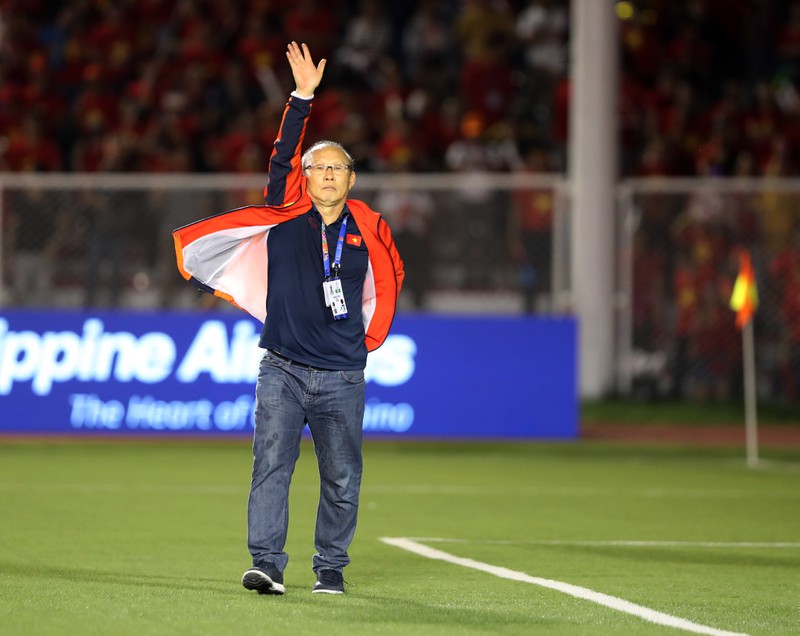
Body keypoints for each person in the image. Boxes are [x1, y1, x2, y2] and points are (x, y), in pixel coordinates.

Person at [172, 42, 404, 595]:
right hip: (282, 367)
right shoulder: (286, 212)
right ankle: (268, 564)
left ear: (352, 180)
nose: (328, 175)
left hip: (342, 373)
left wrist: (366, 342)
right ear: (306, 176)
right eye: (318, 167)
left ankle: (330, 568)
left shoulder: (371, 228)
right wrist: (301, 98)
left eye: (338, 168)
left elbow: (392, 279)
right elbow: (282, 157)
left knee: (342, 478)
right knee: (270, 468)